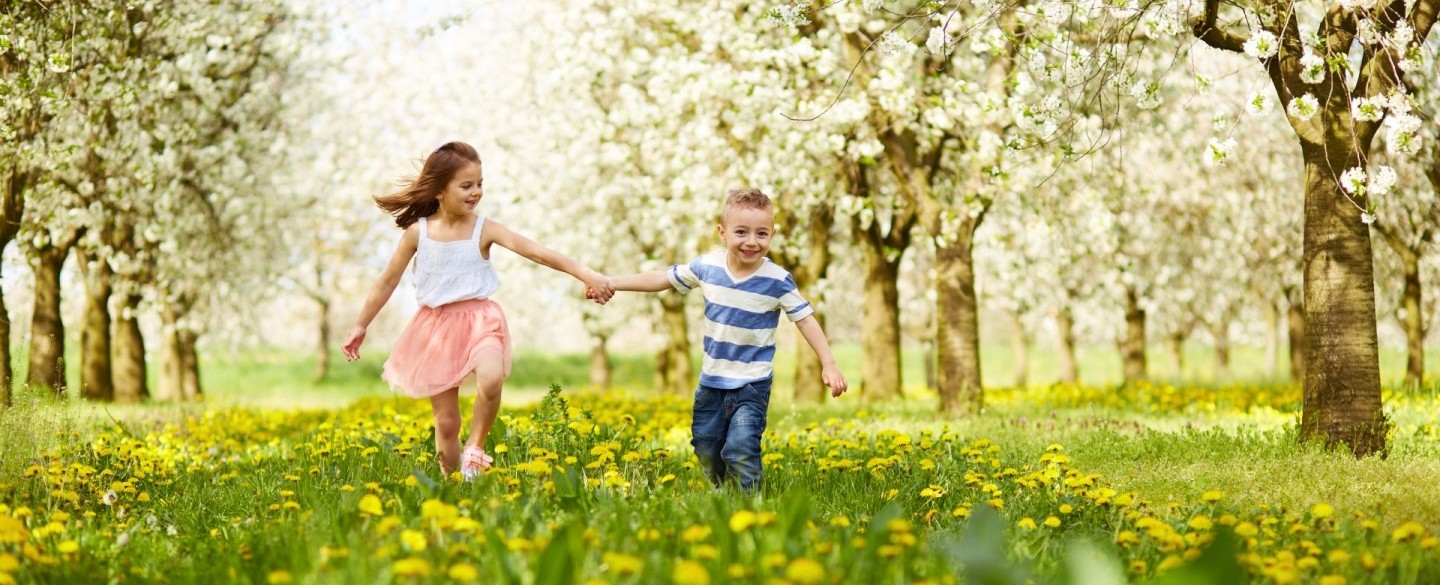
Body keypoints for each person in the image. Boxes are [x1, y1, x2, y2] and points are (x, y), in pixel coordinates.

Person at [343, 141, 613, 481]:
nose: (476, 192)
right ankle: (452, 480)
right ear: (439, 190)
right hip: (435, 329)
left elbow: (538, 252)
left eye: (480, 184)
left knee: (490, 376)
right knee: (446, 421)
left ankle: (476, 446)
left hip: (480, 321)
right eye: (466, 185)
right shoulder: (418, 234)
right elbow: (386, 281)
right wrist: (360, 325)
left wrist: (586, 274)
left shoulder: (484, 228)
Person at [592, 187, 847, 491]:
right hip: (712, 382)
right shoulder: (707, 268)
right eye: (741, 232)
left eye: (762, 234)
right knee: (706, 448)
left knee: (741, 447)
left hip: (752, 383)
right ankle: (721, 494)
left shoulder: (777, 280)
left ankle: (750, 503)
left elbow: (805, 319)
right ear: (722, 232)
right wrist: (612, 283)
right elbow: (660, 279)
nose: (752, 242)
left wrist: (828, 363)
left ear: (773, 234)